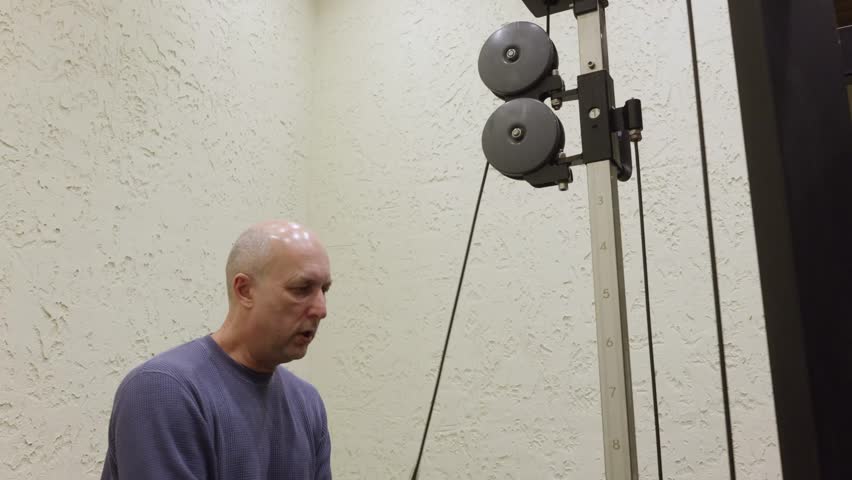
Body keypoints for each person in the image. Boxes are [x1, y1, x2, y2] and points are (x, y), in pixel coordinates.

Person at [100, 220, 333, 479]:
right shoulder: (164, 390)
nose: (321, 310)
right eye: (301, 289)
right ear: (244, 290)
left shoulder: (308, 403)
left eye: (324, 290)